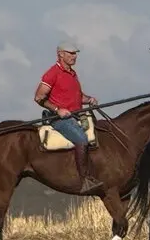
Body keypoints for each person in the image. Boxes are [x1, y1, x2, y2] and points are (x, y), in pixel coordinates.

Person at [33, 41, 103, 195]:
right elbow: (39, 97)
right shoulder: (52, 73)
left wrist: (88, 99)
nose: (74, 56)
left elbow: (76, 96)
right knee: (81, 139)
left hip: (76, 115)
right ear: (60, 54)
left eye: (75, 53)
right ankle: (84, 180)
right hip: (60, 119)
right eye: (71, 53)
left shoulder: (72, 73)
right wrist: (57, 110)